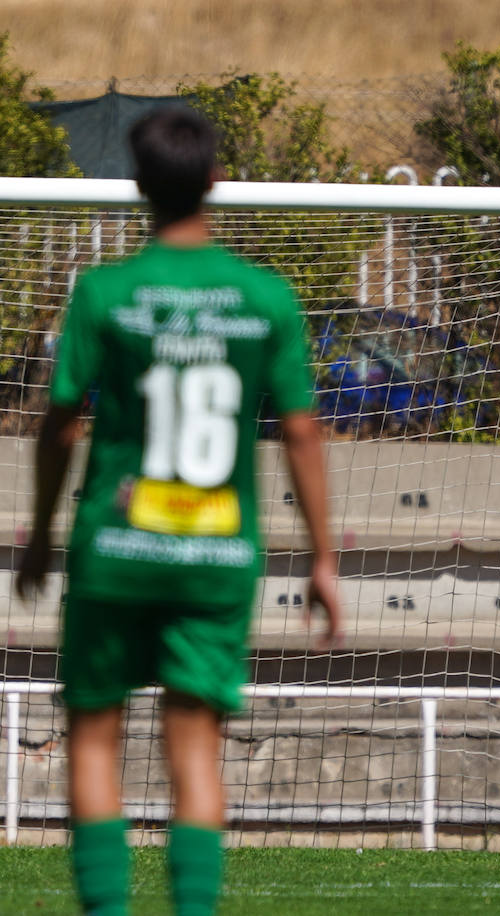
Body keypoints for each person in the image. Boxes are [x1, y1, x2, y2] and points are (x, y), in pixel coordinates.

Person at [15, 106, 342, 916]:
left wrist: (42, 533)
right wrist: (323, 556)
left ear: (139, 188)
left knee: (95, 737)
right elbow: (301, 431)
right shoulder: (265, 297)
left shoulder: (104, 293)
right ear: (214, 183)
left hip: (116, 546)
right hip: (218, 554)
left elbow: (59, 424)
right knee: (194, 750)